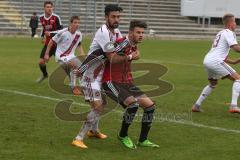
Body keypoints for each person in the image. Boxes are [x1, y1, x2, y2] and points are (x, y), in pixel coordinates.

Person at [72, 4, 139, 149]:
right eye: (113, 16)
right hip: (91, 76)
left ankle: (94, 131)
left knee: (102, 104)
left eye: (118, 17)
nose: (116, 19)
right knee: (98, 106)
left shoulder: (116, 32)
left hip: (101, 75)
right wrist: (129, 56)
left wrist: (132, 49)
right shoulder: (104, 32)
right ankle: (78, 138)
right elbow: (112, 57)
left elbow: (123, 47)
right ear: (106, 17)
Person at [102, 20, 159, 149]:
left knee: (150, 107)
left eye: (142, 33)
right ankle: (123, 135)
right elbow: (109, 57)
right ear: (130, 32)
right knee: (133, 105)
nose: (141, 35)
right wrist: (130, 57)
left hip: (127, 82)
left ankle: (143, 140)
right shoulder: (122, 43)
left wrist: (132, 56)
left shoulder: (133, 45)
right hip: (110, 81)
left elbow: (130, 56)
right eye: (138, 32)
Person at [192, 13, 240, 113]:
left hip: (208, 60)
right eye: (235, 22)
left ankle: (196, 106)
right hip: (215, 61)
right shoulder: (229, 32)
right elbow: (235, 48)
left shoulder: (221, 33)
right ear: (231, 23)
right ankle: (234, 106)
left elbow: (220, 53)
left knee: (212, 83)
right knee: (238, 79)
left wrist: (234, 62)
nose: (236, 24)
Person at [44, 16, 84, 95]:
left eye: (78, 23)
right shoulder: (63, 32)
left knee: (83, 68)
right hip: (61, 56)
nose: (77, 24)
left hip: (71, 56)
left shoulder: (79, 34)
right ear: (71, 23)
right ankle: (74, 87)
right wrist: (46, 54)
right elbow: (52, 41)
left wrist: (83, 56)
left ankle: (84, 86)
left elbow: (79, 46)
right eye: (75, 22)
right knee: (73, 65)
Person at [36, 1, 62, 83]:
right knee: (41, 62)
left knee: (63, 63)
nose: (49, 9)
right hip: (48, 44)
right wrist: (43, 36)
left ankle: (73, 81)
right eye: (47, 7)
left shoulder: (56, 17)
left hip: (57, 44)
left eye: (50, 7)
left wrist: (50, 33)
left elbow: (61, 30)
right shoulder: (41, 18)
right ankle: (45, 74)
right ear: (44, 8)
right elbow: (44, 28)